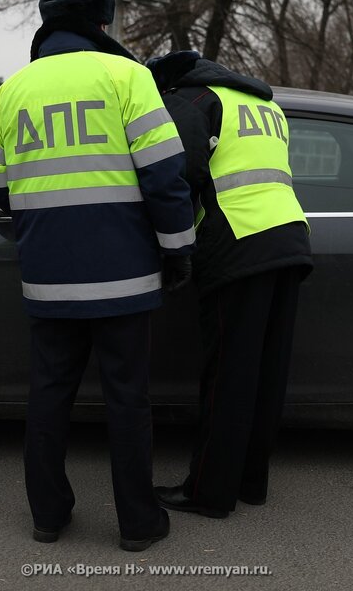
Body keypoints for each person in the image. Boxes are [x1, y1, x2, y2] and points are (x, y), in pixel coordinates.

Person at [0, 0, 195, 551]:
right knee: (128, 399)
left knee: (49, 396)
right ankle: (138, 524)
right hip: (124, 277)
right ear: (101, 27)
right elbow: (164, 176)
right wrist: (178, 251)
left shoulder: (12, 91)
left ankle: (48, 517)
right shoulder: (127, 78)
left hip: (48, 277)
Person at [146, 50, 313, 519]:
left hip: (238, 241)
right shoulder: (263, 105)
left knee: (228, 377)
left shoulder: (192, 99)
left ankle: (209, 492)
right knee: (265, 373)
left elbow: (182, 170)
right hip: (289, 238)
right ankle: (251, 482)